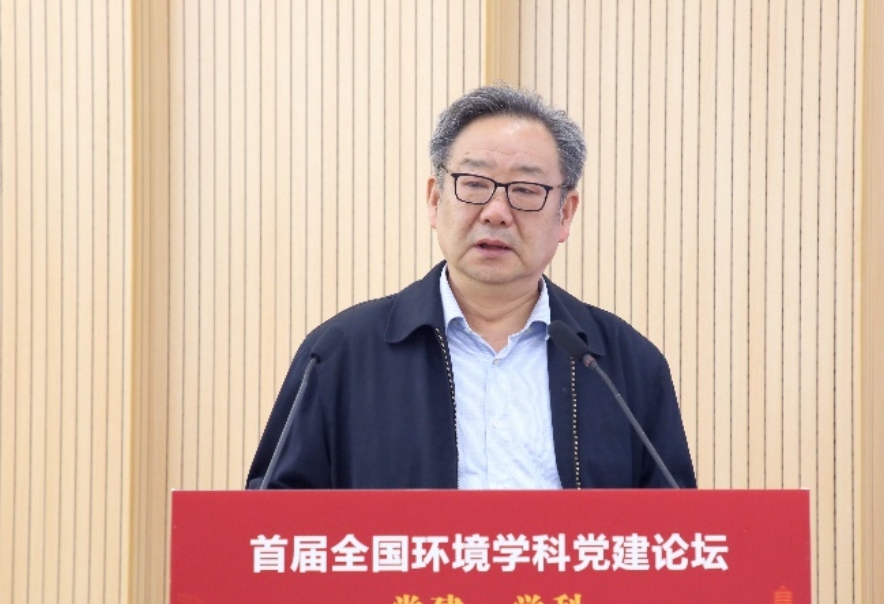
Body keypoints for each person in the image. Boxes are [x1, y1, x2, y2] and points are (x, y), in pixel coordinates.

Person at [246, 84, 695, 490]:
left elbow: (675, 533)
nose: (496, 212)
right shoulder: (340, 352)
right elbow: (273, 523)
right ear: (435, 199)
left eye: (526, 190)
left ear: (565, 213)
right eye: (474, 184)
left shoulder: (624, 365)